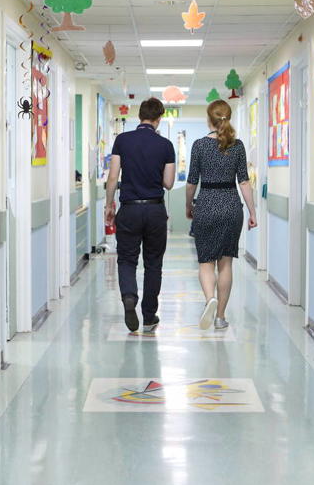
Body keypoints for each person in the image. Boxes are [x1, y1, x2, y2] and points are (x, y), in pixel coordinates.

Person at [185, 99, 257, 330]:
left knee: (206, 262)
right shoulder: (237, 146)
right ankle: (220, 317)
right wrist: (253, 212)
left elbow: (191, 182)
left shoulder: (199, 145)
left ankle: (210, 300)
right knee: (225, 264)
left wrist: (189, 206)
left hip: (205, 204)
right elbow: (244, 181)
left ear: (209, 119)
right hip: (230, 206)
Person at [105, 98, 176, 333]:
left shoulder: (122, 140)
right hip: (155, 210)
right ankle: (148, 315)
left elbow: (113, 177)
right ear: (159, 119)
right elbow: (168, 183)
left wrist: (109, 205)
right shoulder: (165, 145)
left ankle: (128, 296)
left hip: (130, 208)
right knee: (153, 264)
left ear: (140, 116)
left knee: (126, 259)